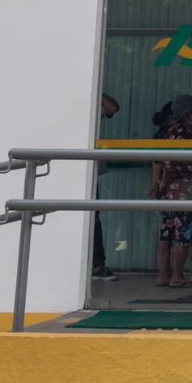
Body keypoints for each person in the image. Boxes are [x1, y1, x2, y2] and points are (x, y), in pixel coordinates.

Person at [149, 94, 192, 288]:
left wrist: (159, 184)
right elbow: (174, 163)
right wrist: (163, 182)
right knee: (184, 233)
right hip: (185, 190)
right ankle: (177, 276)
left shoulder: (169, 132)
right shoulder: (185, 135)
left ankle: (163, 275)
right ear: (187, 115)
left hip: (170, 192)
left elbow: (159, 160)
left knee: (167, 232)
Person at [91, 93, 119, 281]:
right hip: (74, 171)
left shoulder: (93, 105)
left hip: (89, 174)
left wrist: (99, 93)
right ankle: (95, 265)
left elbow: (112, 108)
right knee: (90, 218)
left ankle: (97, 264)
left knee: (94, 217)